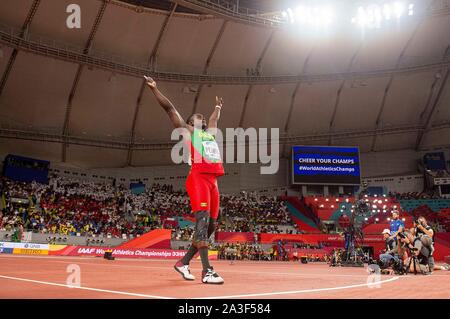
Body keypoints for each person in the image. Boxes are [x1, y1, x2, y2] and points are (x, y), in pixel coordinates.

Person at [145, 76, 224, 284]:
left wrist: (217, 107)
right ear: (189, 124)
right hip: (198, 178)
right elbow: (170, 110)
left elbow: (214, 120)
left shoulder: (210, 135)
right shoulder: (189, 133)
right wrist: (154, 89)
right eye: (198, 119)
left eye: (204, 120)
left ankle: (183, 262)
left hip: (213, 182)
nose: (204, 121)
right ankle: (207, 271)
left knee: (210, 227)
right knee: (202, 222)